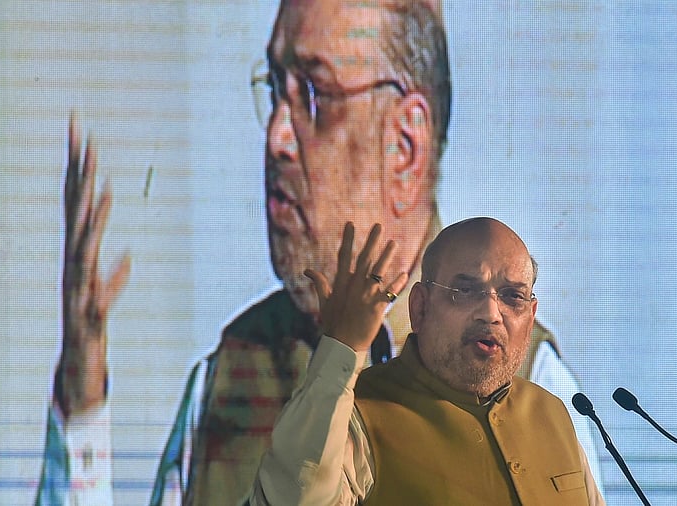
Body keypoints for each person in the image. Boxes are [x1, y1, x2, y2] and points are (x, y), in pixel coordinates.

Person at [35, 1, 601, 504]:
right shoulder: (228, 380)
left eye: (313, 94)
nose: (277, 138)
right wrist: (80, 411)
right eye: (276, 88)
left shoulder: (534, 390)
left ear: (404, 144)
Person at [250, 218, 604, 505]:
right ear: (419, 307)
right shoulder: (362, 414)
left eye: (513, 296)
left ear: (531, 316)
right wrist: (343, 347)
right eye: (465, 291)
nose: (491, 313)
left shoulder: (553, 414)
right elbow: (296, 498)